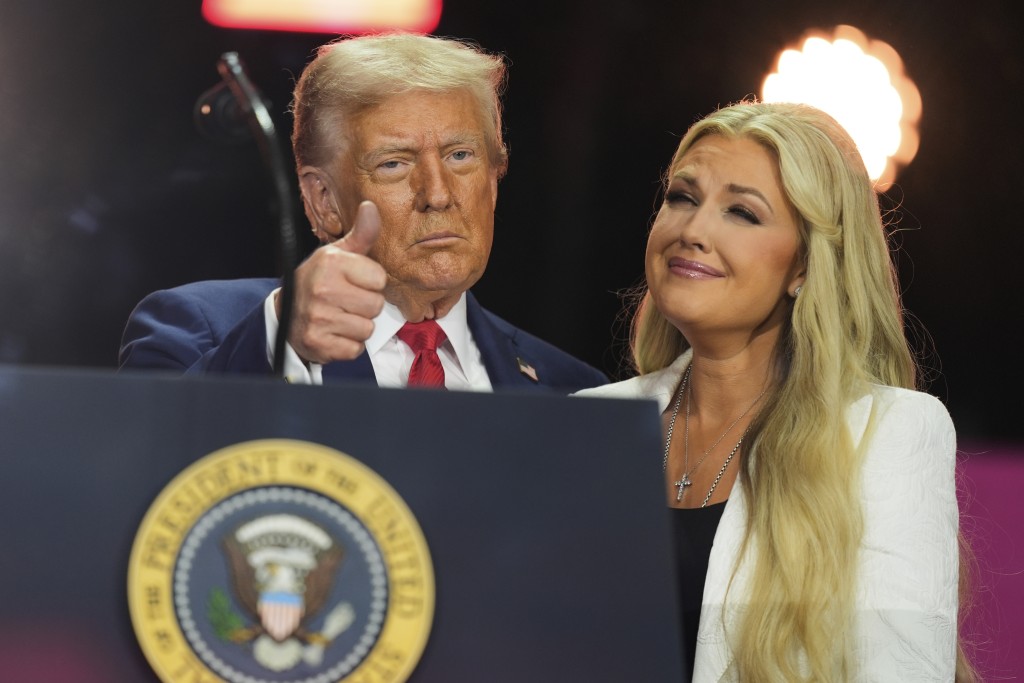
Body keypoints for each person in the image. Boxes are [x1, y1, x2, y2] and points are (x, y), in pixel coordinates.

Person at [577, 101, 973, 680]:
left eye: (742, 212)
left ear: (805, 266)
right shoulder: (585, 425)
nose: (692, 231)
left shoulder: (886, 433)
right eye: (682, 198)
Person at [119, 33, 606, 394]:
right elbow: (148, 459)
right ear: (323, 200)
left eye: (461, 156)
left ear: (494, 181)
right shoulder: (202, 329)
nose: (438, 195)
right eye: (394, 164)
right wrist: (281, 341)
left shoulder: (574, 391)